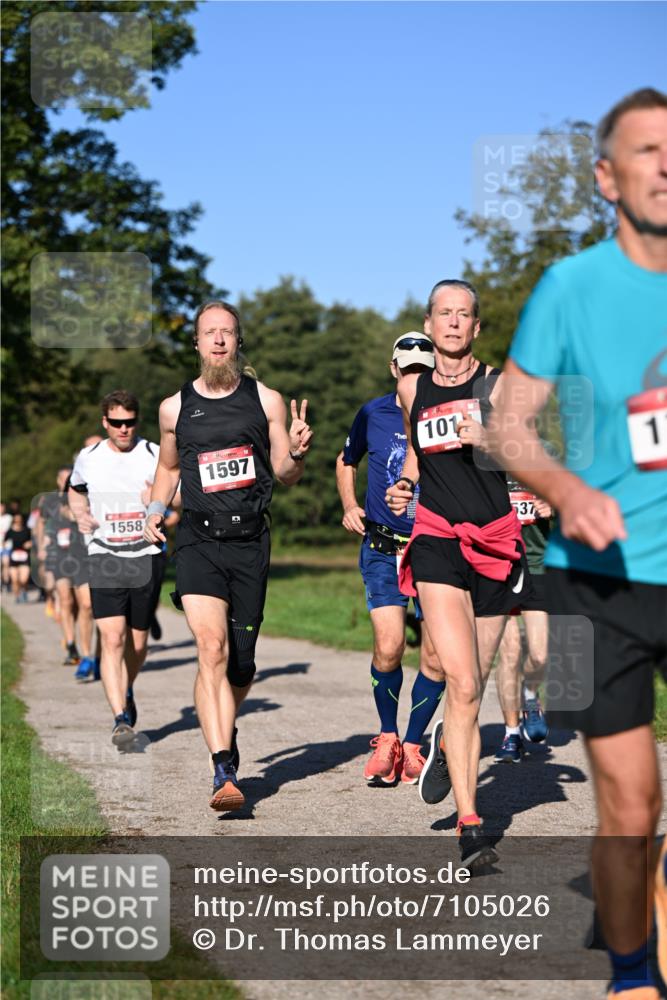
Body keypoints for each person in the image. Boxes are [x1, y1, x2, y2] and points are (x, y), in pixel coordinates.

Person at [489, 88, 667, 999]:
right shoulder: (571, 287)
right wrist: (562, 488)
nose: (665, 165)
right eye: (646, 151)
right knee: (631, 803)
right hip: (594, 583)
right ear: (607, 176)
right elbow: (505, 424)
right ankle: (631, 974)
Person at [386, 278, 533, 871]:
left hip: (496, 542)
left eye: (463, 314)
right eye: (443, 313)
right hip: (438, 539)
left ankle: (453, 736)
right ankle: (472, 826)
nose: (452, 322)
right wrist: (405, 485)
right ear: (430, 321)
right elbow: (421, 455)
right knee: (465, 681)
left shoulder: (500, 386)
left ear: (476, 327)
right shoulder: (410, 388)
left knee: (473, 682)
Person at [144, 300, 313, 812]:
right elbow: (170, 470)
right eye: (208, 333)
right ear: (195, 343)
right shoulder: (174, 408)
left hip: (249, 542)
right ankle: (223, 768)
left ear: (239, 342)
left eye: (227, 333)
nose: (218, 340)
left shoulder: (266, 401)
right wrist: (154, 507)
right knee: (211, 649)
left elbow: (283, 472)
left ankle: (224, 723)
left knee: (240, 667)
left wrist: (298, 456)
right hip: (197, 540)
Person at [336, 332, 446, 786]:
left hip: (435, 547)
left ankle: (415, 745)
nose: (413, 378)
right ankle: (387, 737)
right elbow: (346, 460)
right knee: (389, 646)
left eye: (424, 370)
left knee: (437, 658)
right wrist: (349, 504)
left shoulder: (446, 414)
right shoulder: (373, 412)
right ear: (394, 368)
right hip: (383, 545)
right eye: (408, 369)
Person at [68, 390, 163, 747]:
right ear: (104, 422)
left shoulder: (154, 453)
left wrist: (157, 499)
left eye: (130, 422)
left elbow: (182, 497)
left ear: (138, 421)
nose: (124, 430)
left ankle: (127, 686)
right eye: (117, 423)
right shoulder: (88, 457)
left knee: (137, 643)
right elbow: (75, 490)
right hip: (104, 553)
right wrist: (80, 513)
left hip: (145, 554)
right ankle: (120, 717)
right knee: (112, 637)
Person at [493, 482, 551, 762]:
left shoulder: (548, 455)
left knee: (540, 655)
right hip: (497, 566)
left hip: (537, 565)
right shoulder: (484, 457)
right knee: (511, 651)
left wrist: (555, 508)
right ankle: (511, 733)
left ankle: (529, 692)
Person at [43, 466, 96, 677]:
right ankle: (73, 646)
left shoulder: (88, 502)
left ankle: (87, 654)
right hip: (61, 558)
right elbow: (43, 528)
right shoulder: (52, 503)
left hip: (83, 559)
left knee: (86, 604)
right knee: (65, 600)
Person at [6, 511, 32, 602]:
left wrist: (30, 543)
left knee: (23, 579)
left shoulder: (27, 530)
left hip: (24, 557)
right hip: (14, 558)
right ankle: (17, 596)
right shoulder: (10, 531)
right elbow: (4, 542)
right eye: (16, 520)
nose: (18, 522)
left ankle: (24, 590)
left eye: (19, 520)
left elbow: (33, 541)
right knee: (15, 580)